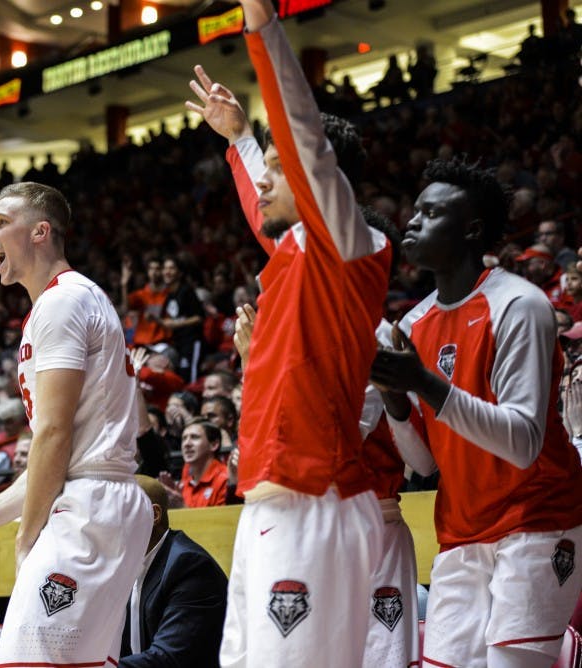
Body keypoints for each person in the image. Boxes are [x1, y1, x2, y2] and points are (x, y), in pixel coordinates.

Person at [185, 0, 391, 662]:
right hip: (274, 505)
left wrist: (261, 24)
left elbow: (303, 137)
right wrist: (239, 139)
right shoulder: (298, 249)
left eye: (278, 166)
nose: (265, 178)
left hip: (318, 503)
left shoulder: (349, 247)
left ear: (317, 178)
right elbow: (259, 207)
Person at [0, 182, 153, 667]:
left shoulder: (62, 302)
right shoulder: (71, 299)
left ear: (41, 232)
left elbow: (52, 434)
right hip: (100, 501)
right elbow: (65, 455)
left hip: (88, 511)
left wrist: (26, 538)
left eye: (2, 223)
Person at [370, 157, 582, 667]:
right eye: (414, 210)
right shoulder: (414, 322)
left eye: (431, 212)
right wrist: (397, 399)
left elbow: (522, 441)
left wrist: (423, 381)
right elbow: (423, 465)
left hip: (538, 521)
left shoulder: (519, 305)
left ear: (471, 229)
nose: (413, 221)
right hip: (461, 531)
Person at [119, 475, 227, 668]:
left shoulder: (189, 566)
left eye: (117, 508)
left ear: (153, 515)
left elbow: (167, 658)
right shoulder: (123, 565)